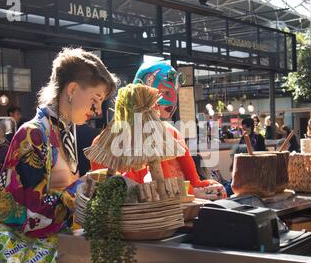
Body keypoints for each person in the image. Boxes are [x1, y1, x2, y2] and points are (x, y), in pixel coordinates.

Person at [0, 47, 118, 263]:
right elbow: (25, 213)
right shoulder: (33, 133)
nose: (97, 110)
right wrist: (85, 186)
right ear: (72, 89)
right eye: (95, 99)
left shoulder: (62, 132)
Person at [91, 61, 226, 200]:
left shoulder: (172, 133)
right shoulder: (108, 141)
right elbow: (127, 191)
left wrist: (205, 188)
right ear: (142, 92)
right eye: (165, 93)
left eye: (175, 93)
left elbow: (194, 181)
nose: (173, 101)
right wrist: (192, 193)